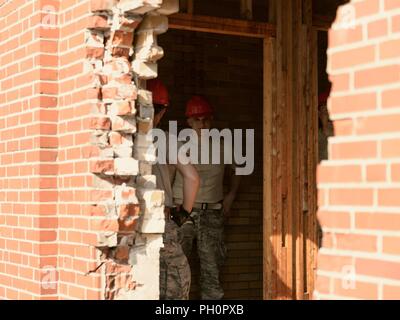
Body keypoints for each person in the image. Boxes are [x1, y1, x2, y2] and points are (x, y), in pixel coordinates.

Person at [172, 96, 242, 300]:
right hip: (183, 212)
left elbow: (238, 170)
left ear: (211, 120)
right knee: (176, 268)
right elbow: (167, 175)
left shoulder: (223, 146)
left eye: (206, 119)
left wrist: (230, 196)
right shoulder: (179, 146)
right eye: (197, 120)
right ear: (189, 122)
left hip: (212, 212)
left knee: (212, 271)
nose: (202, 124)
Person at [146, 79, 200, 300]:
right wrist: (183, 213)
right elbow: (192, 177)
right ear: (162, 111)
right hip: (162, 223)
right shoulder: (165, 139)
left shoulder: (121, 136)